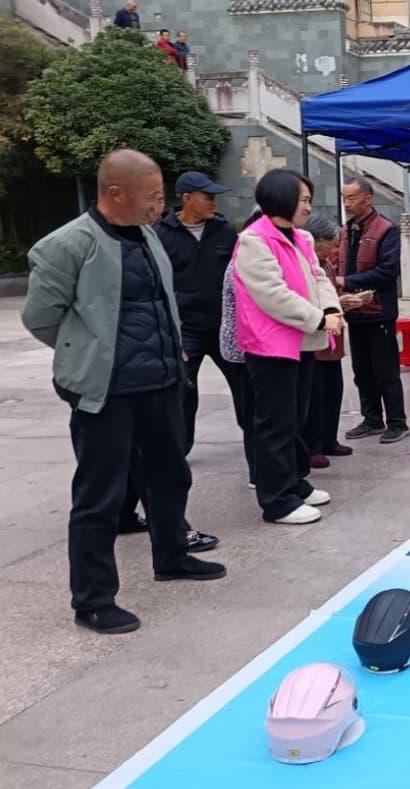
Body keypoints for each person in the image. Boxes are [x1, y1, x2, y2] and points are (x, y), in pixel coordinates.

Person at [22, 149, 226, 634]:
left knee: (171, 476)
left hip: (161, 382)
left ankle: (172, 555)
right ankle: (93, 600)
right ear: (115, 193)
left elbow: (161, 303)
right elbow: (41, 318)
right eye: (151, 196)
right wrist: (89, 352)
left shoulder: (148, 236)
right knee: (101, 496)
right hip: (106, 391)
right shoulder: (68, 245)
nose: (159, 205)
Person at [234, 169, 342, 525]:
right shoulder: (253, 241)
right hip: (271, 345)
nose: (308, 207)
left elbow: (318, 276)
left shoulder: (302, 237)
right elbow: (272, 295)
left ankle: (294, 482)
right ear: (282, 199)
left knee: (296, 419)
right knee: (275, 424)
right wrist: (317, 318)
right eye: (303, 200)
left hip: (302, 340)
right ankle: (277, 500)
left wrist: (331, 309)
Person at [154, 172, 248, 466]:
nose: (213, 202)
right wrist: (169, 334)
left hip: (225, 327)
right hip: (186, 330)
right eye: (208, 196)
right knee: (183, 391)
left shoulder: (224, 231)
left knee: (246, 388)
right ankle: (178, 453)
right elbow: (156, 287)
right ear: (187, 198)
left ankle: (257, 446)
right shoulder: (161, 234)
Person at [337, 177, 408, 444]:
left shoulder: (386, 229)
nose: (347, 203)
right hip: (354, 311)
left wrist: (348, 282)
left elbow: (388, 271)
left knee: (386, 371)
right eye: (344, 198)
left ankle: (397, 422)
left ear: (367, 199)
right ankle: (372, 419)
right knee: (362, 371)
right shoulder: (346, 230)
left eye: (351, 198)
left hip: (379, 311)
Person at [301, 211, 355, 468]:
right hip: (315, 339)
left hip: (333, 338)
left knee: (333, 391)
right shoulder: (305, 263)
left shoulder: (326, 264)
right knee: (315, 396)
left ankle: (328, 439)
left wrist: (341, 303)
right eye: (332, 244)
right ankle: (312, 446)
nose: (335, 250)